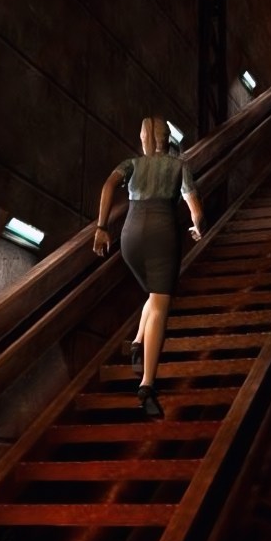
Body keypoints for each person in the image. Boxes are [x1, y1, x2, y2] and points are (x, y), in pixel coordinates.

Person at [93, 116, 205, 417]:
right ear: (166, 139)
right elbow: (195, 208)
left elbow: (108, 185)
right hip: (162, 233)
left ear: (144, 138)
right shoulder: (179, 167)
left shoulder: (130, 164)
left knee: (154, 295)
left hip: (130, 236)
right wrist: (197, 226)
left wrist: (101, 227)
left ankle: (138, 341)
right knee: (160, 303)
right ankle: (147, 385)